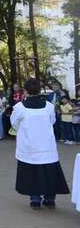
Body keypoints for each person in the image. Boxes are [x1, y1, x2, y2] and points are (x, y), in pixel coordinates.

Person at [11, 78, 70, 210]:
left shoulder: (20, 107)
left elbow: (14, 123)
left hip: (29, 146)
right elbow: (52, 121)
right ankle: (50, 200)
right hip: (46, 145)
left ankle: (35, 199)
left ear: (25, 91)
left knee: (31, 173)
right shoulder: (48, 106)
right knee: (49, 172)